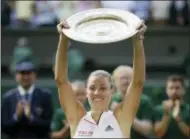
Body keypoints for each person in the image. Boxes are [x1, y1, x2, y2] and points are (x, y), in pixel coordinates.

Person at [54, 19, 146, 138]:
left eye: (103, 88)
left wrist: (137, 39)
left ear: (112, 91)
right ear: (86, 91)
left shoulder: (120, 117)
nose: (97, 92)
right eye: (92, 88)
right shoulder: (78, 117)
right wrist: (64, 38)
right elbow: (61, 80)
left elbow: (137, 83)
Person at [1, 61, 53, 139]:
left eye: (29, 73)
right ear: (16, 76)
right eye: (22, 73)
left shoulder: (45, 96)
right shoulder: (8, 97)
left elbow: (47, 126)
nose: (26, 77)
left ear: (35, 75)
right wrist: (16, 116)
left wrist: (31, 117)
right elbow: (4, 127)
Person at [111, 65, 154, 139]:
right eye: (122, 78)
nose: (125, 81)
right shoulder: (109, 100)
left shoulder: (144, 101)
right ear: (114, 81)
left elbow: (147, 129)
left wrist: (126, 116)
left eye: (129, 78)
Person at [154, 75, 190, 139]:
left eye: (177, 88)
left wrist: (179, 120)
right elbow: (158, 134)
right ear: (166, 90)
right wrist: (166, 115)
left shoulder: (188, 110)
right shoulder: (158, 109)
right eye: (171, 88)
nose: (174, 91)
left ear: (183, 90)